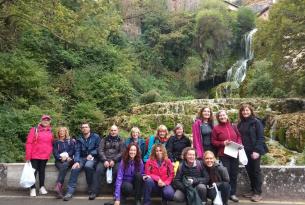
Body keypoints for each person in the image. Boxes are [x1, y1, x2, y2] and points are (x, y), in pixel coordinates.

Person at [63, 122, 101, 201]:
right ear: (81, 129)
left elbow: (98, 148)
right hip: (82, 158)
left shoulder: (96, 137)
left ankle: (91, 190)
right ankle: (70, 192)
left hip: (93, 157)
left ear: (89, 128)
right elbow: (77, 151)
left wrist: (92, 154)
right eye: (83, 127)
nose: (84, 128)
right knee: (75, 168)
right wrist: (76, 161)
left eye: (86, 127)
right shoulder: (79, 138)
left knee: (88, 166)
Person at [237, 104, 267, 202]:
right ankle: (253, 190)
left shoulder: (256, 122)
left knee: (256, 171)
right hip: (244, 151)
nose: (245, 112)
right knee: (249, 171)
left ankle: (258, 193)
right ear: (241, 112)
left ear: (251, 111)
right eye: (243, 111)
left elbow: (261, 137)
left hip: (254, 151)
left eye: (247, 110)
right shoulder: (240, 123)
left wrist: (257, 151)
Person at [212, 110, 242, 202]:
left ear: (227, 116)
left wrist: (239, 144)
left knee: (234, 174)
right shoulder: (216, 128)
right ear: (218, 118)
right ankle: (226, 193)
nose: (222, 117)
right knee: (225, 175)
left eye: (223, 115)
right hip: (223, 154)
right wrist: (222, 143)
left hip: (234, 153)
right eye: (220, 116)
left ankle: (232, 194)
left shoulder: (233, 126)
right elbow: (213, 141)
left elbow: (239, 137)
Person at [89, 125, 125, 200]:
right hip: (104, 160)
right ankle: (94, 192)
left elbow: (122, 152)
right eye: (112, 130)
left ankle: (116, 193)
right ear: (109, 131)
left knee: (117, 171)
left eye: (115, 130)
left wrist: (114, 160)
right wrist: (104, 160)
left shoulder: (121, 140)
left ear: (117, 131)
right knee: (98, 170)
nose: (113, 132)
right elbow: (100, 150)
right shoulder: (104, 139)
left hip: (116, 161)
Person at [25, 114, 54, 197]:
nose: (46, 121)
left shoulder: (50, 131)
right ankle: (33, 188)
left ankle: (41, 187)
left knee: (42, 171)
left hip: (45, 156)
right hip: (34, 155)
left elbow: (52, 142)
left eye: (47, 120)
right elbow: (29, 143)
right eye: (44, 119)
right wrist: (28, 156)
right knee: (33, 172)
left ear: (49, 122)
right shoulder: (34, 130)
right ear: (41, 120)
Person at [53, 127, 76, 198]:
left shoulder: (70, 141)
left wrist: (67, 156)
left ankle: (58, 186)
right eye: (60, 131)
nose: (61, 132)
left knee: (65, 165)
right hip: (59, 161)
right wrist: (60, 158)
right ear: (58, 133)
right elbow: (55, 152)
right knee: (63, 166)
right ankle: (59, 192)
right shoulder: (56, 142)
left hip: (69, 160)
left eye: (63, 131)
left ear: (66, 132)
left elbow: (73, 150)